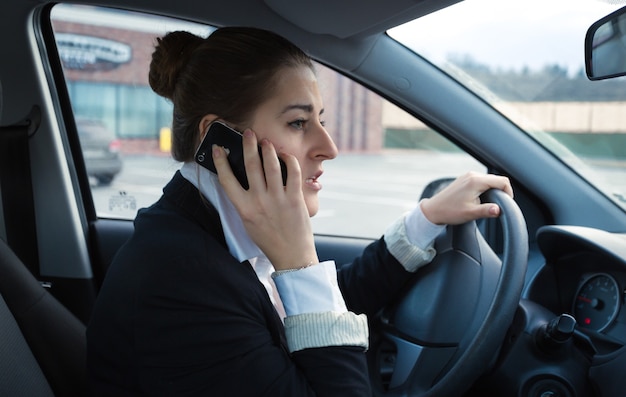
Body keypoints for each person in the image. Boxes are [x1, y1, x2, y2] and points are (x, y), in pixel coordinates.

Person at [86, 26, 513, 396]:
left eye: (321, 119)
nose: (329, 147)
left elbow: (310, 308)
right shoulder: (180, 285)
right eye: (297, 123)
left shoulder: (217, 232)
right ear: (220, 142)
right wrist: (300, 260)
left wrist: (427, 219)